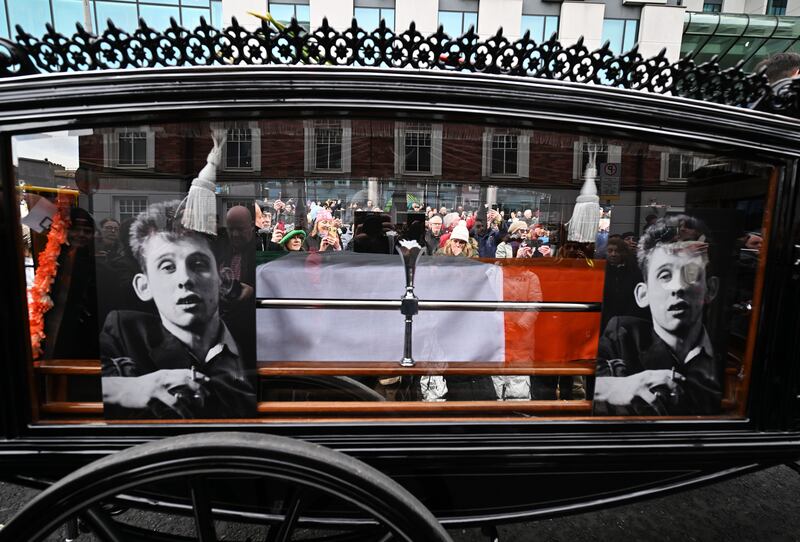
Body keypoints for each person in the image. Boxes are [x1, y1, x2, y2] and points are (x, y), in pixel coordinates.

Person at [100, 200, 256, 419]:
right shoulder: (124, 331)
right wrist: (125, 389)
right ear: (143, 286)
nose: (185, 279)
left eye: (198, 264)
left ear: (222, 279)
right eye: (168, 267)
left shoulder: (250, 339)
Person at [593, 214, 722, 416]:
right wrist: (613, 388)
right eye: (665, 275)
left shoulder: (727, 348)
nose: (678, 287)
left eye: (690, 274)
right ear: (643, 294)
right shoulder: (623, 335)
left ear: (710, 289)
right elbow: (587, 376)